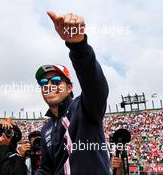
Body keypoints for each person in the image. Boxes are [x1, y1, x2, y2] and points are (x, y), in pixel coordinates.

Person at [35, 11, 110, 175]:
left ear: (69, 88)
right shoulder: (46, 129)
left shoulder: (84, 107)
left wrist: (78, 46)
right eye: (43, 82)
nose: (49, 85)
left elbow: (94, 85)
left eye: (56, 81)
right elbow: (47, 169)